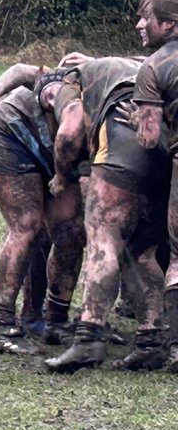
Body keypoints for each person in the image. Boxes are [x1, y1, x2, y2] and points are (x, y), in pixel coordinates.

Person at [45, 56, 168, 372]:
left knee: (103, 243)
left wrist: (61, 176)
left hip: (119, 153)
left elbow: (69, 133)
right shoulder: (142, 66)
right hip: (165, 152)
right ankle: (151, 340)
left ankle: (88, 338)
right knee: (142, 253)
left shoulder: (73, 81)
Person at [0, 64, 84, 350]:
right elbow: (22, 70)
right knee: (27, 225)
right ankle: (2, 326)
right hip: (8, 131)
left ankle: (42, 317)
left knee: (66, 229)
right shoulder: (75, 82)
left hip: (52, 150)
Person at [130, 0, 178, 368]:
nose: (141, 24)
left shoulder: (155, 68)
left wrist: (139, 116)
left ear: (169, 24)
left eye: (148, 18)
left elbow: (147, 139)